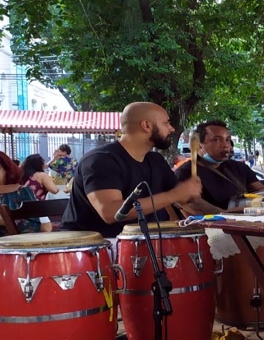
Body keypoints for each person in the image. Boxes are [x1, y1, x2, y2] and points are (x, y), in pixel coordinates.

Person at [61, 102, 202, 238]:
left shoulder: (156, 161)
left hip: (143, 242)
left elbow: (184, 199)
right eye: (166, 123)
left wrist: (219, 216)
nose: (171, 128)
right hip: (97, 248)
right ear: (146, 125)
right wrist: (174, 195)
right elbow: (111, 212)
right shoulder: (101, 160)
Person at [175, 120, 264, 213]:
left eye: (227, 140)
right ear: (199, 145)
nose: (225, 145)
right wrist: (225, 214)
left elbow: (261, 191)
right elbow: (192, 209)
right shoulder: (185, 173)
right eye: (216, 140)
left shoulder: (239, 167)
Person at [0, 151, 51, 235]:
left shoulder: (21, 192)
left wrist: (4, 220)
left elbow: (33, 226)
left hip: (14, 244)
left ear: (6, 169)